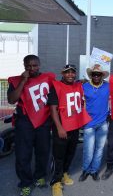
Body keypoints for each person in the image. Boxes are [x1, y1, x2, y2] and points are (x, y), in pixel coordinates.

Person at [7, 54, 55, 196]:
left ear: (39, 65)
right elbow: (11, 99)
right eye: (28, 66)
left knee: (43, 152)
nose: (31, 68)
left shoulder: (48, 78)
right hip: (25, 122)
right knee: (23, 154)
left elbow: (57, 94)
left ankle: (39, 176)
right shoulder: (16, 81)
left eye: (34, 65)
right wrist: (23, 81)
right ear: (24, 66)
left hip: (44, 121)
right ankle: (25, 183)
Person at [48, 64, 91, 196]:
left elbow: (87, 83)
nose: (70, 75)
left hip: (75, 126)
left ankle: (64, 173)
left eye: (72, 72)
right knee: (58, 155)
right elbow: (53, 109)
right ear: (62, 73)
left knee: (70, 153)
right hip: (62, 127)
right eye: (67, 72)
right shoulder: (56, 86)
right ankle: (56, 182)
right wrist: (59, 127)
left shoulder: (78, 85)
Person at [79, 64, 110, 182]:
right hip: (89, 124)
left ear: (102, 76)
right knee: (88, 149)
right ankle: (85, 170)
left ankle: (94, 170)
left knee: (99, 149)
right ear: (91, 75)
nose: (96, 76)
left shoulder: (108, 86)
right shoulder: (84, 86)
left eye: (98, 74)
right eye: (94, 74)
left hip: (103, 124)